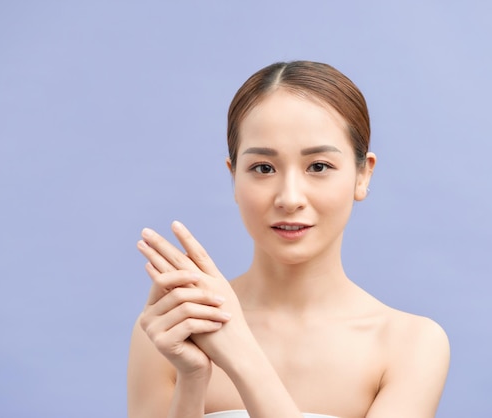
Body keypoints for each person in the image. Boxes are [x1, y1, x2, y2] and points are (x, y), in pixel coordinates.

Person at [127, 61, 450, 418]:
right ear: (233, 177)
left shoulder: (411, 345)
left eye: (318, 166)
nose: (289, 198)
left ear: (363, 174)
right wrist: (193, 377)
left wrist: (242, 355)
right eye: (263, 168)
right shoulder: (172, 328)